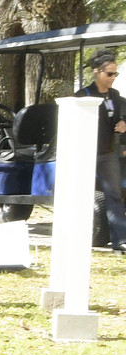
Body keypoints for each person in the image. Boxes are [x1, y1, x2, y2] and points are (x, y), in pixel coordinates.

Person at [77, 55, 126, 252]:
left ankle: (120, 240)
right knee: (81, 194)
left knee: (114, 195)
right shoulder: (83, 95)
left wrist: (123, 124)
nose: (113, 77)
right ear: (96, 71)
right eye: (109, 73)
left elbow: (120, 118)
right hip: (85, 152)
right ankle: (79, 236)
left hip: (108, 153)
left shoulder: (115, 95)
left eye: (115, 73)